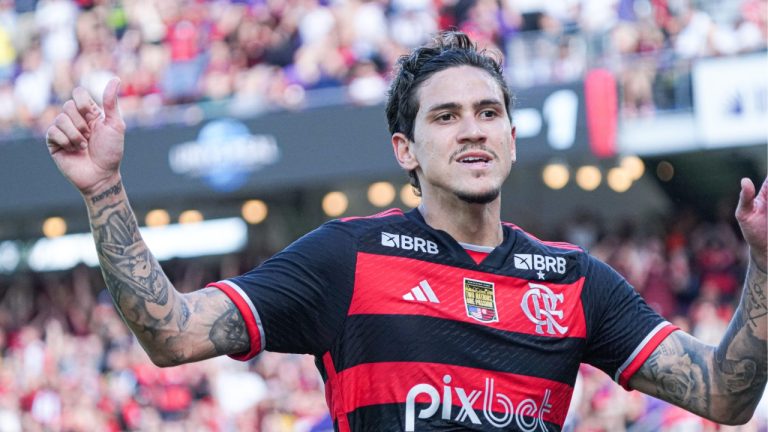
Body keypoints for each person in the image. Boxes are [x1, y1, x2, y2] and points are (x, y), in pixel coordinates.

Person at [45, 31, 766, 431]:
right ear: (405, 149)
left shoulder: (576, 282)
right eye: (445, 117)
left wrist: (763, 265)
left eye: (488, 112)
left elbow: (723, 397)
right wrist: (105, 190)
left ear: (514, 137)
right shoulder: (345, 257)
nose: (473, 130)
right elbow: (173, 333)